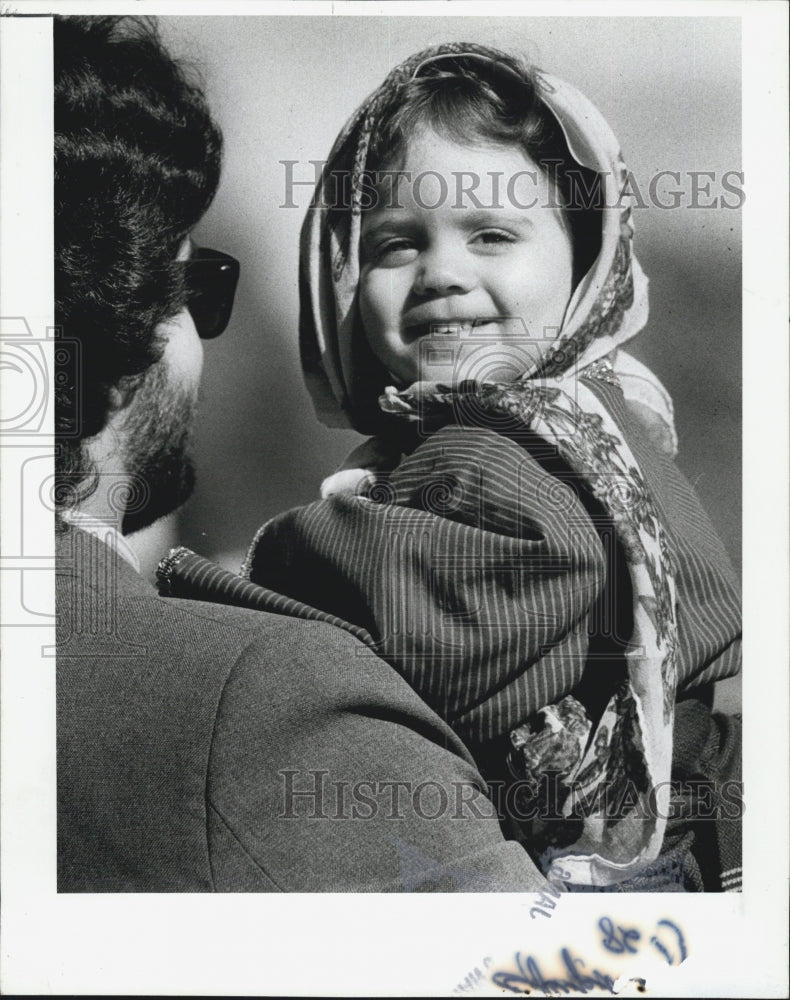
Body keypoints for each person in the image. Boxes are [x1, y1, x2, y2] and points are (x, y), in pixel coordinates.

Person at [164, 44, 741, 890]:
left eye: (493, 234)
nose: (442, 273)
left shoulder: (501, 444)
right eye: (397, 245)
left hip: (602, 859)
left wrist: (234, 584)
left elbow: (433, 630)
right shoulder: (586, 418)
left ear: (584, 261)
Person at [54, 17, 552, 893]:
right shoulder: (263, 708)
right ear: (124, 312)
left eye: (493, 234)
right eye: (194, 288)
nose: (442, 277)